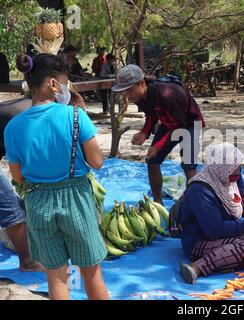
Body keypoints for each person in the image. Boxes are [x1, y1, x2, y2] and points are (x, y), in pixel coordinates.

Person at [4, 53, 108, 300]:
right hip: (77, 201)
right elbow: (97, 161)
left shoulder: (14, 127)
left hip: (38, 203)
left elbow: (18, 178)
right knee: (91, 274)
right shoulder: (75, 116)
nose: (66, 88)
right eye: (65, 82)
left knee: (56, 277)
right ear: (53, 84)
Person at [178, 143, 244, 284]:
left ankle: (232, 260)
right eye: (233, 168)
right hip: (200, 240)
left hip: (224, 232)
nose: (238, 172)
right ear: (220, 167)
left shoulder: (232, 177)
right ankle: (196, 267)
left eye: (238, 166)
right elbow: (214, 229)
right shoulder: (200, 190)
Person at [111, 64, 205, 205]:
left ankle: (199, 203)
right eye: (125, 92)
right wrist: (144, 133)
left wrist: (158, 146)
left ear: (142, 83)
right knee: (152, 160)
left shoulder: (166, 94)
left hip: (189, 123)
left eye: (129, 91)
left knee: (188, 165)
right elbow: (152, 115)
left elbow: (180, 126)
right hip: (169, 122)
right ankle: (157, 203)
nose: (127, 96)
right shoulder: (141, 97)